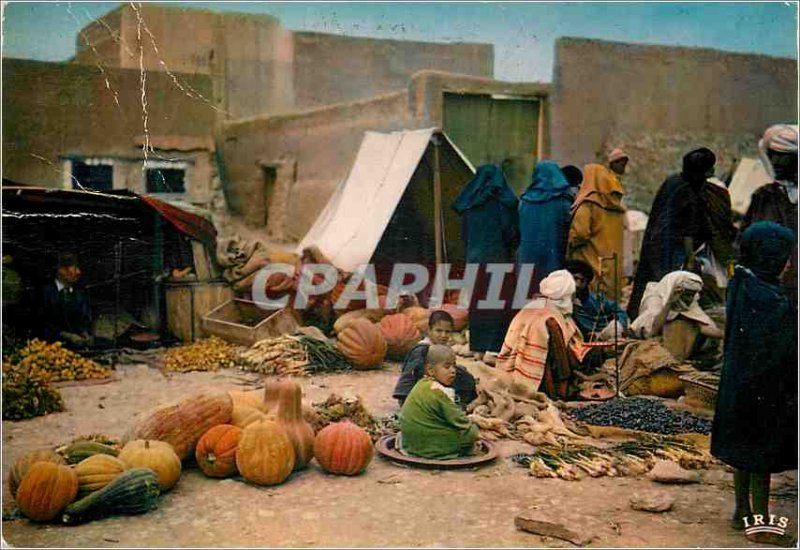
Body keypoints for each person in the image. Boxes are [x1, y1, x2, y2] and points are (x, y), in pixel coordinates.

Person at [710, 222, 797, 544]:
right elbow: (781, 347)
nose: (789, 262)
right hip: (765, 386)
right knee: (761, 458)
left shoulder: (742, 282)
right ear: (772, 256)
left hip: (738, 383)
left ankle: (741, 512)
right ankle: (759, 524)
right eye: (786, 256)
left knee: (743, 453)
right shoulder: (771, 299)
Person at [628, 148, 736, 319]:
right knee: (668, 287)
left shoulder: (675, 182)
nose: (713, 171)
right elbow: (688, 228)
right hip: (670, 249)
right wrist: (690, 257)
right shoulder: (687, 190)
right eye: (710, 168)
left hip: (658, 244)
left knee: (655, 284)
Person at [451, 164, 519, 357]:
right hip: (498, 258)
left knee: (478, 303)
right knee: (498, 303)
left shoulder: (469, 203)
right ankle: (494, 348)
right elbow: (511, 233)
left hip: (475, 259)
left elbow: (464, 235)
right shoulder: (504, 202)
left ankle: (478, 348)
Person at [496, 270, 593, 400]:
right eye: (571, 295)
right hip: (540, 374)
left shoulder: (534, 304)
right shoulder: (551, 317)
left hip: (510, 365)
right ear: (566, 295)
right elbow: (560, 360)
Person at [741, 124, 798, 308]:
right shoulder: (764, 196)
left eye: (784, 156)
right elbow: (744, 240)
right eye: (772, 155)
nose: (776, 161)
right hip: (767, 287)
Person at [398, 345, 480, 459]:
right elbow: (460, 421)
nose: (453, 371)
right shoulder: (439, 391)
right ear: (431, 370)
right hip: (430, 445)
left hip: (410, 442)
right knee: (471, 433)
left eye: (454, 366)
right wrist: (475, 430)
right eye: (447, 367)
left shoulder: (421, 384)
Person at [629, 270, 724, 362]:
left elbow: (703, 327)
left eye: (692, 295)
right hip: (655, 344)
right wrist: (669, 302)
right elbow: (653, 330)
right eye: (687, 295)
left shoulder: (689, 302)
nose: (690, 299)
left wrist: (726, 335)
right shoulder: (655, 298)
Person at [392, 310, 478, 409]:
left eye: (447, 332)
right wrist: (407, 400)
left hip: (434, 390)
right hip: (417, 396)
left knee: (462, 374)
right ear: (429, 330)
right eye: (439, 331)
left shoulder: (444, 349)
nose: (443, 335)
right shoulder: (421, 351)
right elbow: (410, 376)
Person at [567, 163, 626, 297]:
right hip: (611, 267)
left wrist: (569, 243)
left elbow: (580, 233)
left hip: (589, 264)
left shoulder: (588, 205)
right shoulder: (616, 208)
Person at [517, 161, 573, 294]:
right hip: (554, 257)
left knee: (528, 300)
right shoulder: (564, 201)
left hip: (527, 259)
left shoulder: (525, 202)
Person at [564, 259, 628, 342]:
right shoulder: (561, 301)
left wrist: (618, 325)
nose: (578, 285)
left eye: (582, 281)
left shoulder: (597, 300)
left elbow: (620, 312)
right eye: (575, 279)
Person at [38, 253, 93, 348]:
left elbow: (85, 319)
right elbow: (41, 324)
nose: (79, 272)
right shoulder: (45, 293)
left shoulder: (81, 292)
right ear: (62, 270)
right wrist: (67, 335)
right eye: (75, 268)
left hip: (79, 348)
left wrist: (85, 333)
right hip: (51, 348)